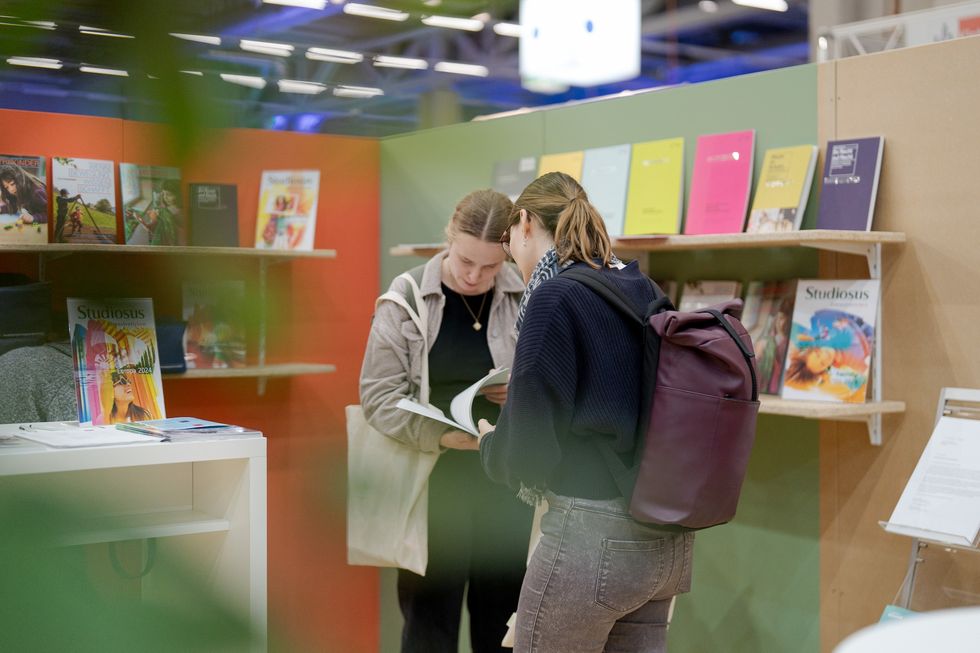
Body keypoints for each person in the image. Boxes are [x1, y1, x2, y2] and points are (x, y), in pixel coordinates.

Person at [477, 172, 695, 653]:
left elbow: (530, 450)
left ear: (526, 223)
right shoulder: (641, 286)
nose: (511, 255)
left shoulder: (554, 298)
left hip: (589, 537)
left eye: (509, 239)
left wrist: (491, 444)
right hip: (663, 541)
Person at [359, 189, 532, 653]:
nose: (475, 276)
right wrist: (444, 435)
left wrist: (522, 392)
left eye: (491, 266)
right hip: (432, 487)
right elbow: (377, 396)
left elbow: (555, 387)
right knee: (428, 628)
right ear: (448, 238)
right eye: (464, 261)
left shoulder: (524, 296)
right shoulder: (407, 297)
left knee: (504, 627)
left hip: (505, 488)